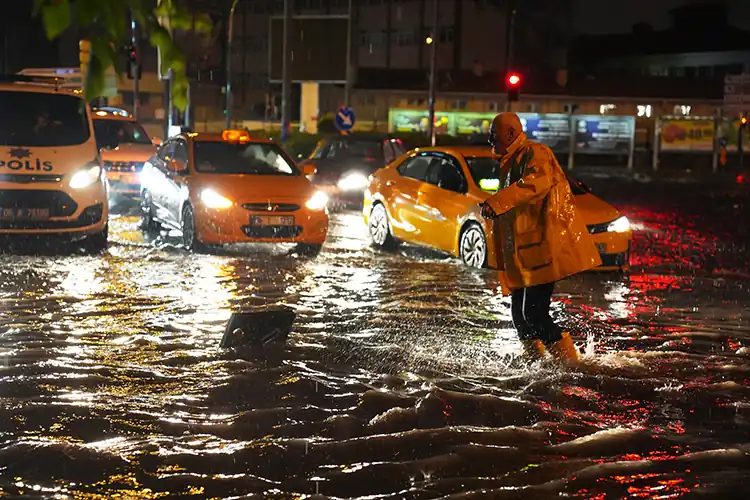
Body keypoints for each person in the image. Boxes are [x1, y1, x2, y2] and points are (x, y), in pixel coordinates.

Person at [479, 112, 602, 364]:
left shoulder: (535, 153)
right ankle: (535, 364)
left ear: (511, 134)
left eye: (494, 133)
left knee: (533, 313)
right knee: (519, 315)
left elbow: (536, 184)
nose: (489, 138)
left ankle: (570, 365)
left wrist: (497, 202)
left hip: (541, 250)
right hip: (523, 253)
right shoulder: (511, 160)